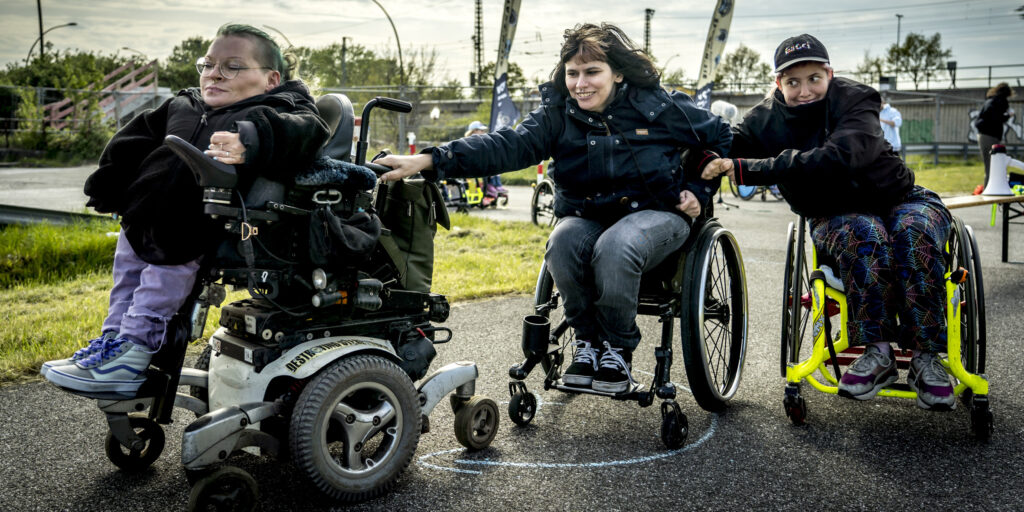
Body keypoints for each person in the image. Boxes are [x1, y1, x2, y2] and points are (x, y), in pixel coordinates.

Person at [377, 23, 730, 393]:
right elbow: (505, 146)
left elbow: (721, 135)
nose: (581, 83)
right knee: (560, 244)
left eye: (592, 72)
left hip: (659, 213)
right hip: (587, 215)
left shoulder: (660, 105)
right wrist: (429, 160)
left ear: (618, 73)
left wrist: (699, 188)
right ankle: (588, 342)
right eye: (573, 73)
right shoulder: (557, 114)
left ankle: (616, 350)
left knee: (617, 246)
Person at [42, 24, 330, 395]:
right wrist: (109, 184)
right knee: (126, 282)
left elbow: (308, 130)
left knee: (154, 289)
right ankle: (112, 343)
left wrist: (251, 139)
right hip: (143, 215)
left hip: (195, 223)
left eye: (233, 66)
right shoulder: (184, 104)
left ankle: (134, 348)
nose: (215, 74)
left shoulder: (276, 107)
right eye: (208, 64)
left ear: (271, 79)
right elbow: (133, 139)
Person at [702, 34, 956, 410]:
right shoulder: (764, 119)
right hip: (836, 213)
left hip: (899, 200)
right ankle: (878, 353)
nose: (804, 90)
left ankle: (926, 358)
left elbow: (840, 156)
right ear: (778, 84)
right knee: (863, 233)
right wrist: (698, 151)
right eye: (792, 82)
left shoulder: (858, 99)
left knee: (911, 233)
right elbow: (725, 144)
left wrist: (746, 169)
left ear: (829, 74)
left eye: (814, 79)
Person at [974, 82, 1015, 194]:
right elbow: (996, 118)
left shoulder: (990, 100)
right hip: (990, 136)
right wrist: (1007, 116)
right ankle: (989, 192)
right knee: (992, 167)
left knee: (990, 166)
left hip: (982, 135)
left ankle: (989, 190)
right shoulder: (1000, 101)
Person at [464, 120, 509, 205]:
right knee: (492, 167)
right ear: (474, 131)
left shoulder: (481, 141)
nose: (483, 132)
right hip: (475, 167)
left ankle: (495, 186)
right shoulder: (472, 141)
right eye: (481, 130)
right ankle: (493, 187)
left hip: (480, 165)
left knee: (496, 165)